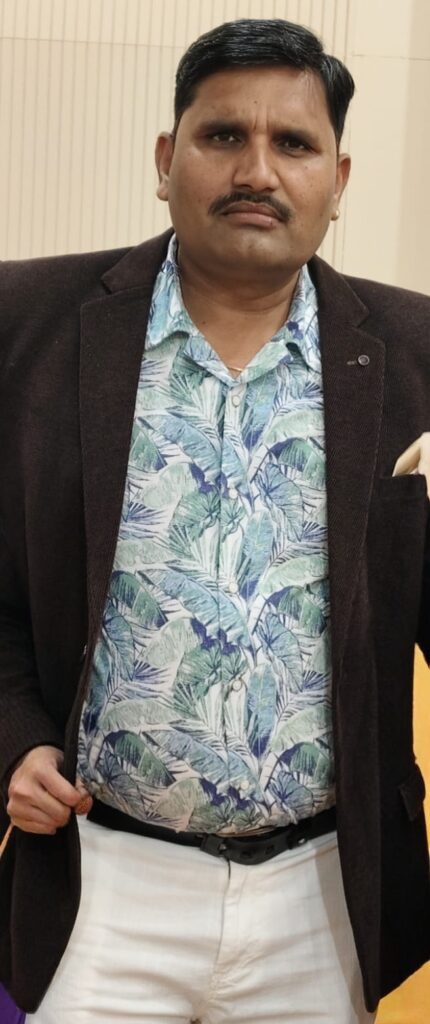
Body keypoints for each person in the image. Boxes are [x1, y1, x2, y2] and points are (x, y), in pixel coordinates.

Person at [0, 16, 429, 1024]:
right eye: (223, 135)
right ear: (166, 158)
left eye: (294, 143)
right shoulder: (27, 326)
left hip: (324, 899)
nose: (257, 170)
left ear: (338, 178)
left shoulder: (414, 352)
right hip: (99, 885)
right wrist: (12, 736)